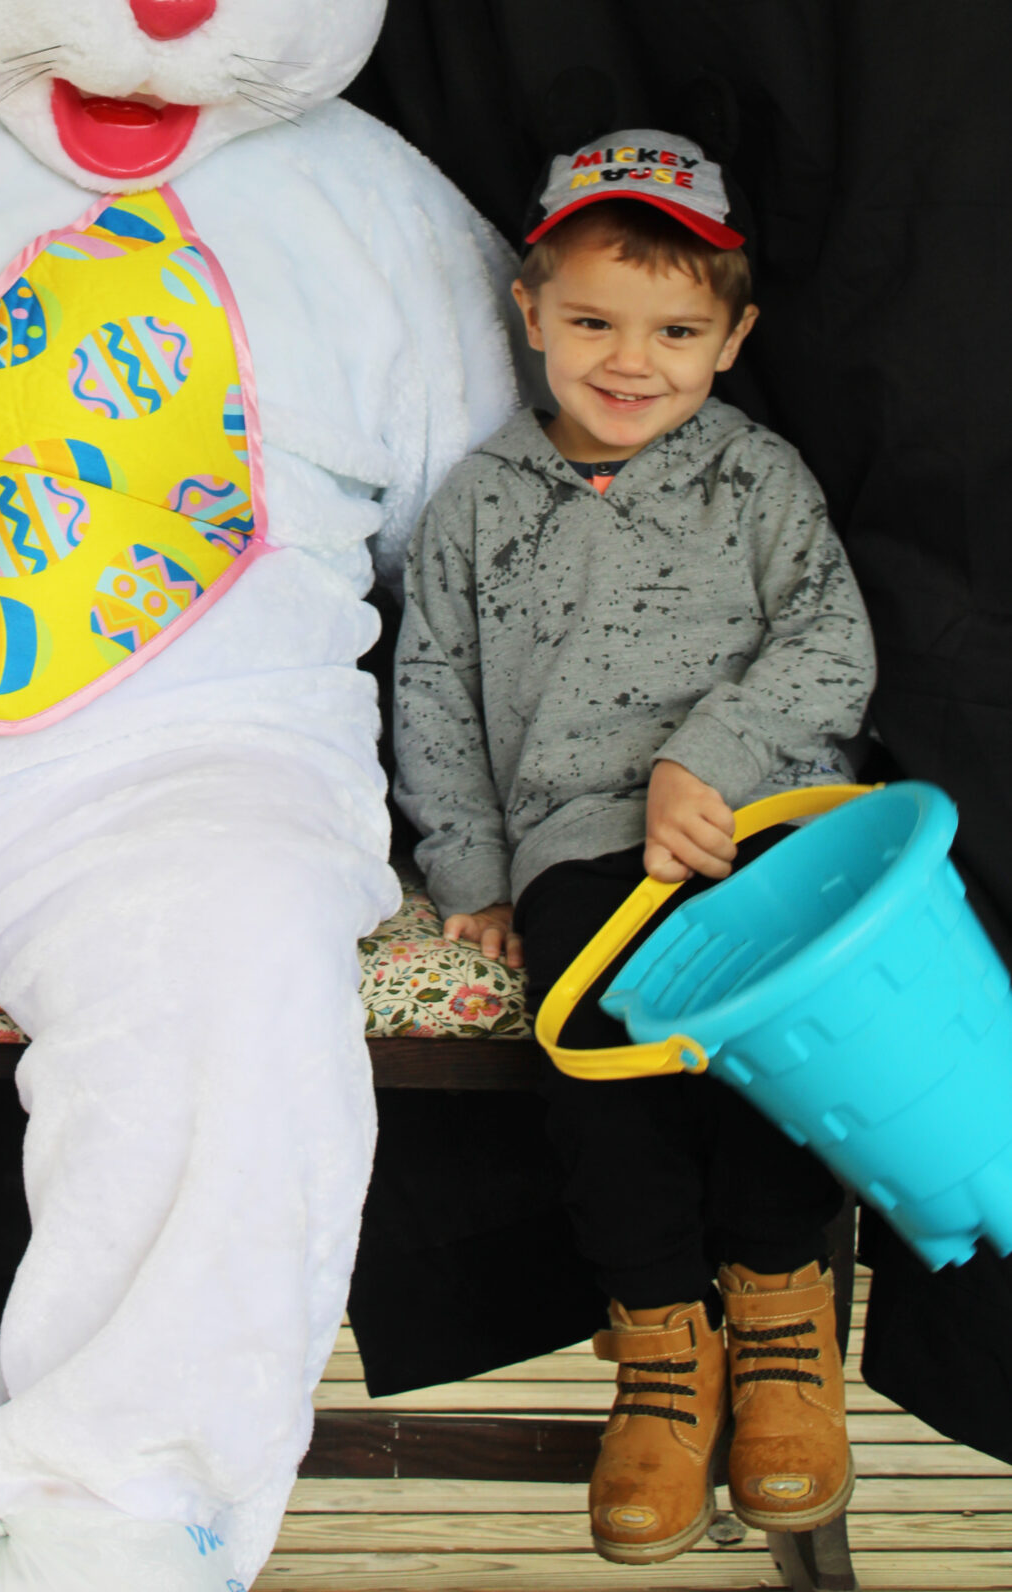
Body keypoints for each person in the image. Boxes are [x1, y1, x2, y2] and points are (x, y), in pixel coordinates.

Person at [393, 126, 877, 1568]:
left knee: (771, 1042)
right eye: (593, 321)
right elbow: (435, 688)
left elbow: (832, 645)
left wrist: (704, 759)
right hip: (580, 842)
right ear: (530, 314)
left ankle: (783, 1328)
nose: (630, 360)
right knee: (599, 1048)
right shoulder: (482, 502)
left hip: (762, 817)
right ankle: (664, 1356)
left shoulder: (758, 482)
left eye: (675, 330)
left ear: (731, 340)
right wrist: (472, 870)